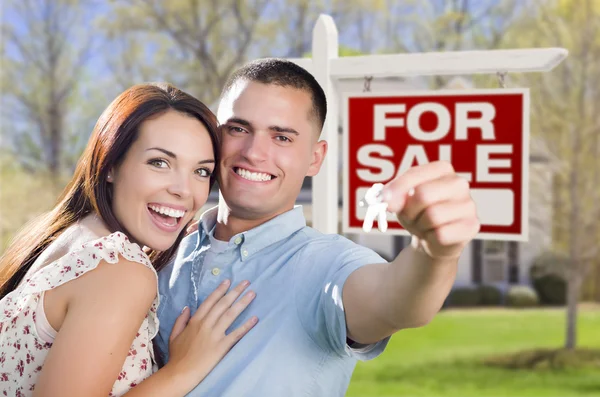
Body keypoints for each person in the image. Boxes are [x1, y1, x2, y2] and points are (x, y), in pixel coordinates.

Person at [154, 58, 480, 396]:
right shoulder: (166, 245)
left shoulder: (327, 264)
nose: (254, 152)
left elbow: (395, 300)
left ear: (315, 157)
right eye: (238, 129)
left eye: (281, 137)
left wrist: (435, 254)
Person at [0, 83, 258, 397]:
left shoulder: (65, 236)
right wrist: (183, 370)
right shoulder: (118, 270)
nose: (184, 190)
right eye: (159, 163)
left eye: (201, 171)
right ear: (110, 165)